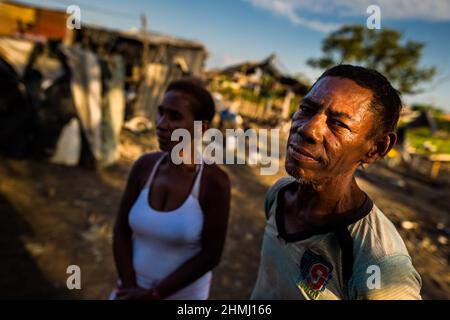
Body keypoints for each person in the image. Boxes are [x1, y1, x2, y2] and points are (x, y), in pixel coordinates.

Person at [251, 65, 422, 300]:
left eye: (338, 124)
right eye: (306, 109)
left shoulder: (378, 263)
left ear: (376, 149)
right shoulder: (279, 195)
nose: (308, 129)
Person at [112, 79, 231, 300]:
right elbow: (121, 230)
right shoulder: (144, 167)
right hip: (130, 291)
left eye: (174, 116)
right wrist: (129, 288)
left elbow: (211, 255)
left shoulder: (213, 181)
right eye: (161, 113)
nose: (161, 123)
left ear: (201, 128)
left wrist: (154, 295)